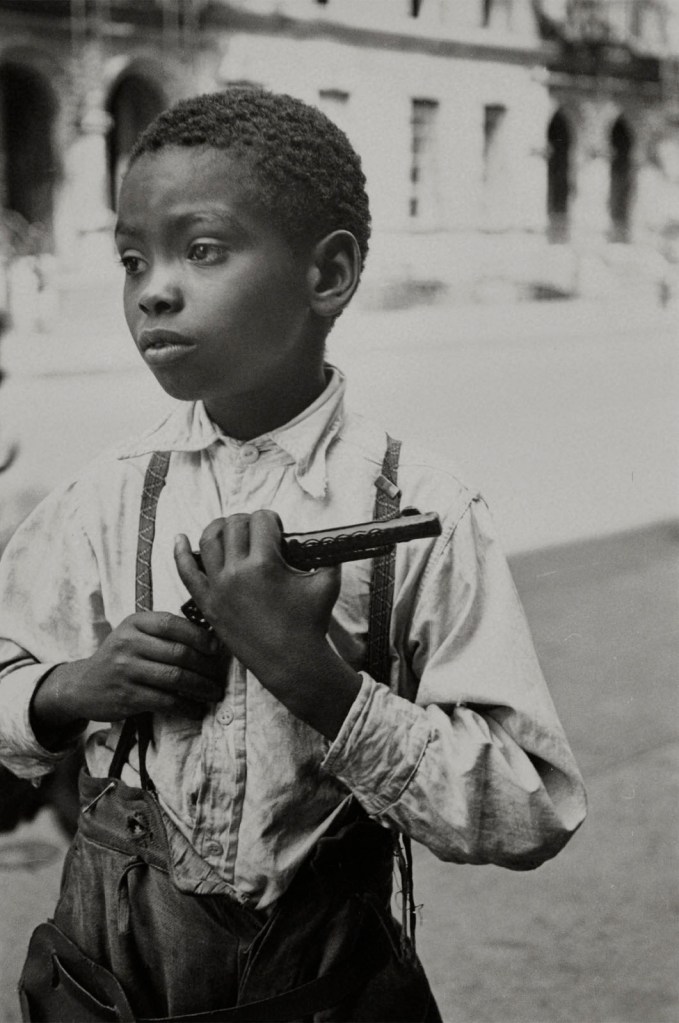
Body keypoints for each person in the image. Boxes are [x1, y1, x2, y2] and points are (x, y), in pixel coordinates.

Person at [0, 89, 586, 1022]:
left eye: (202, 250)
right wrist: (71, 688)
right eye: (132, 259)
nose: (152, 289)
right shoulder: (101, 498)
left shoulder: (420, 508)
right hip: (111, 979)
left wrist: (315, 680)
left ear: (329, 275)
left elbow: (529, 808)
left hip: (323, 986)